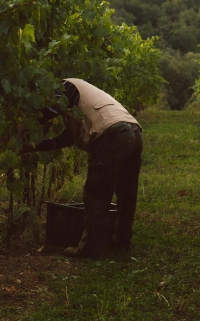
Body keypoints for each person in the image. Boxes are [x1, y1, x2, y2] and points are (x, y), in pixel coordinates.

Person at [22, 78, 143, 259]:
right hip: (133, 132)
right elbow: (67, 139)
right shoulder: (81, 103)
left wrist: (25, 124)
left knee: (96, 193)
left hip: (112, 133)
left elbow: (50, 110)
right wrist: (34, 146)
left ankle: (89, 250)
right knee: (127, 193)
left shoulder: (67, 85)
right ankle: (122, 242)